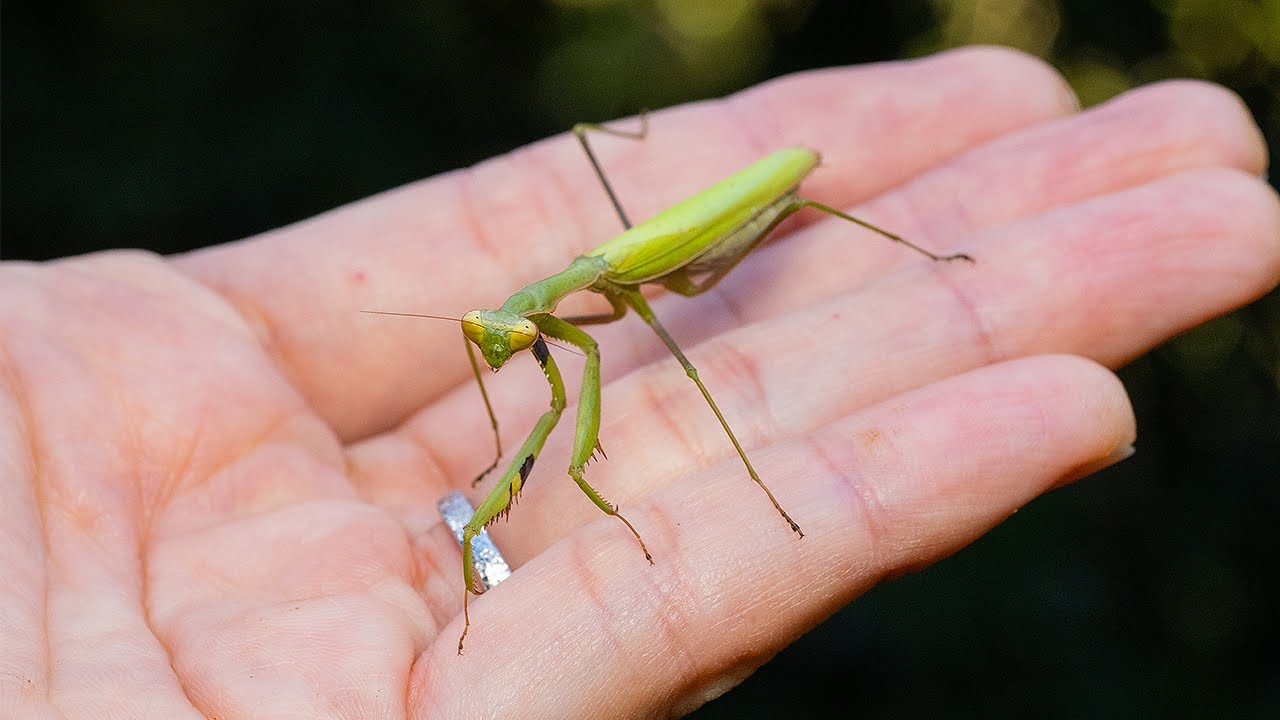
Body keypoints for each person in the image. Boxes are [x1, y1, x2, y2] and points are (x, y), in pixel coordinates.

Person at [1, 47, 1276, 718]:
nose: (496, 346)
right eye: (498, 340)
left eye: (498, 334)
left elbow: (573, 368)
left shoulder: (588, 294)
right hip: (622, 272)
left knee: (717, 284)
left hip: (709, 218)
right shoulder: (545, 324)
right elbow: (541, 384)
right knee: (602, 377)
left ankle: (925, 247)